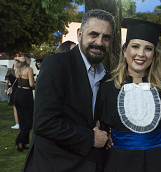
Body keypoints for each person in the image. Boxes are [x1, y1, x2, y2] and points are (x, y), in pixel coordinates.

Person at [23, 9, 114, 172]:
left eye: (105, 37)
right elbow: (44, 123)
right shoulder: (56, 65)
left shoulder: (106, 76)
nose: (99, 42)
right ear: (79, 34)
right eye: (93, 34)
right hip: (54, 164)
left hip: (89, 163)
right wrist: (91, 138)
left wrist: (107, 133)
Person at [96, 18, 161, 172]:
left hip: (158, 163)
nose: (141, 54)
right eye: (135, 47)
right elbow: (100, 130)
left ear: (154, 54)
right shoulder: (107, 87)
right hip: (118, 163)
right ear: (125, 50)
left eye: (148, 49)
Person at [13, 53, 35, 152]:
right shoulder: (29, 69)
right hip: (26, 94)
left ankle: (23, 144)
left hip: (17, 93)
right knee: (29, 120)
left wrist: (19, 59)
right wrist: (36, 84)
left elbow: (15, 59)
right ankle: (19, 139)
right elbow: (31, 84)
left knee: (22, 119)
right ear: (28, 60)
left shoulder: (17, 69)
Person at [4, 65, 19, 129]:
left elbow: (7, 82)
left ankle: (17, 123)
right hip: (20, 89)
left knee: (15, 107)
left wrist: (6, 89)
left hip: (13, 90)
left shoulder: (10, 72)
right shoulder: (21, 71)